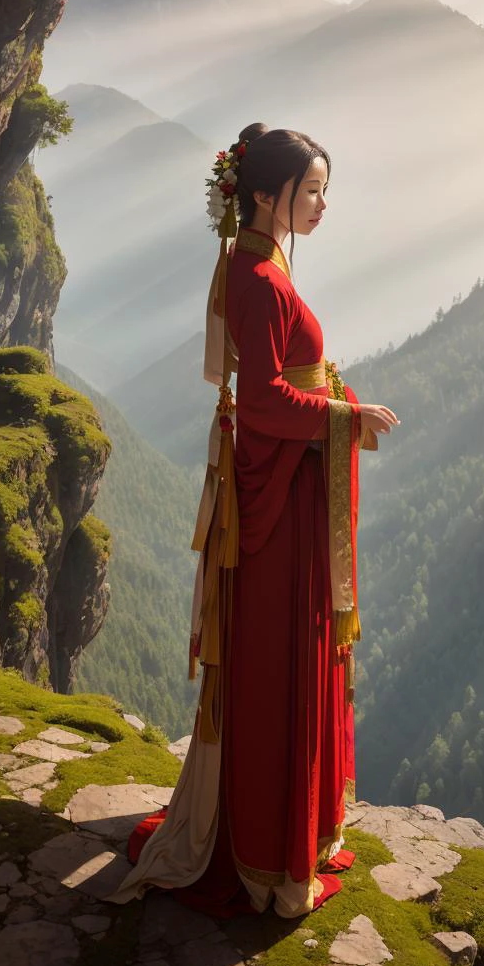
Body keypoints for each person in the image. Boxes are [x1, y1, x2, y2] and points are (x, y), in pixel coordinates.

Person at [109, 124, 399, 919]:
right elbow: (268, 400)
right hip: (278, 504)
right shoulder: (260, 280)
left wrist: (333, 406)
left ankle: (278, 829)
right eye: (310, 192)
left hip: (281, 489)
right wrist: (346, 412)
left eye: (321, 192)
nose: (321, 205)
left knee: (279, 655)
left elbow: (267, 391)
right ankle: (267, 849)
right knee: (278, 659)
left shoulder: (255, 266)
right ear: (265, 196)